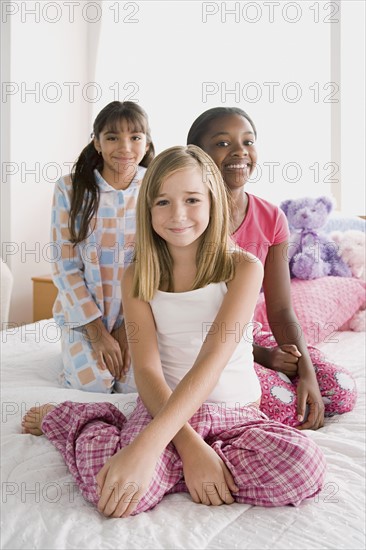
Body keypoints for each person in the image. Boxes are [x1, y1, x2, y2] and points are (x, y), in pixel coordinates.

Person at [22, 145, 327, 518]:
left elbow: (210, 364)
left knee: (304, 466)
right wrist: (188, 447)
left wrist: (154, 451)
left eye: (192, 200)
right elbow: (147, 370)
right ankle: (74, 420)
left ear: (214, 202)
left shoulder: (243, 268)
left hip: (235, 414)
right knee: (110, 493)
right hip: (161, 409)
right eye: (162, 202)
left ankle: (168, 466)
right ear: (147, 209)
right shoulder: (137, 275)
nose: (177, 215)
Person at [187, 107, 357, 429]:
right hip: (204, 343)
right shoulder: (189, 218)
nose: (240, 151)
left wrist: (304, 370)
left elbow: (280, 308)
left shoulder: (271, 218)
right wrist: (263, 356)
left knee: (339, 391)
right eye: (223, 143)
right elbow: (193, 317)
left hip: (251, 334)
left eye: (248, 141)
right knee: (285, 405)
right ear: (198, 155)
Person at [51, 101, 154, 393]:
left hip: (137, 316)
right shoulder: (70, 189)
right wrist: (96, 333)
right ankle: (71, 355)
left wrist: (127, 328)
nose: (125, 147)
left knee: (135, 388)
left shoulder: (157, 187)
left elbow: (160, 262)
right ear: (97, 142)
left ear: (146, 144)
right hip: (83, 318)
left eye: (135, 137)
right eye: (112, 137)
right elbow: (64, 266)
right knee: (95, 386)